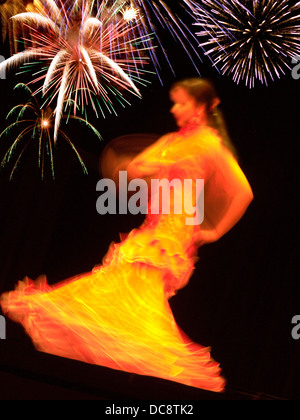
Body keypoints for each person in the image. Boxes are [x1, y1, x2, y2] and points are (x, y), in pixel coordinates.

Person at [0, 78, 253, 393]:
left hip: (168, 238)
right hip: (151, 231)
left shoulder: (209, 145)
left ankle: (141, 378)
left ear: (202, 106)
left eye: (181, 102)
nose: (174, 109)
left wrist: (213, 230)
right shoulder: (174, 141)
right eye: (174, 102)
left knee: (122, 302)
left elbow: (242, 191)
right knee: (129, 307)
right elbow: (137, 167)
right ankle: (126, 380)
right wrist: (127, 167)